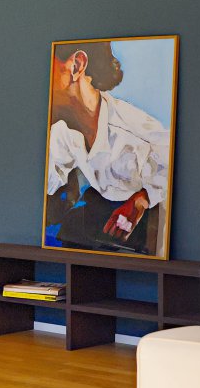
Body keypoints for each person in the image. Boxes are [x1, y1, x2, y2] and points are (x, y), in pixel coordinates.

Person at [45, 41, 170, 255]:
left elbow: (173, 165)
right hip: (106, 221)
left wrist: (141, 199)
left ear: (77, 65)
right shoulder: (62, 131)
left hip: (150, 231)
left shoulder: (133, 129)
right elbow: (51, 179)